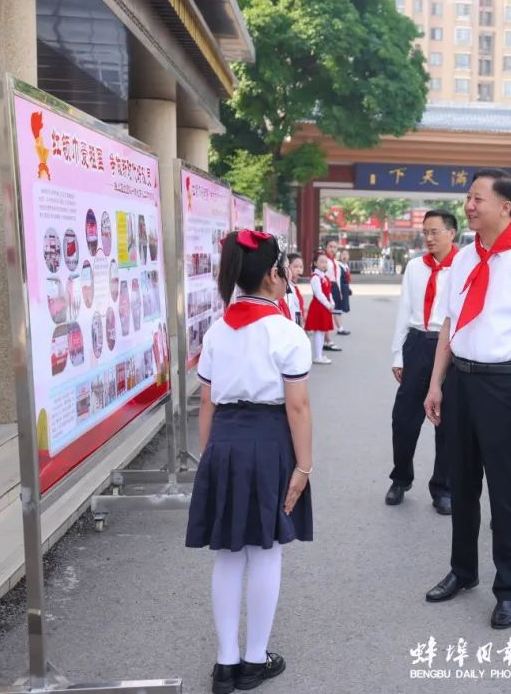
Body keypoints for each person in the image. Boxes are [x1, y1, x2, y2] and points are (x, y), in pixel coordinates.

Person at [422, 169, 511, 630]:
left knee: (507, 492)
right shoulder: (463, 258)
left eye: (478, 198)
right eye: (468, 197)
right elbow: (449, 323)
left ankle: (510, 589)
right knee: (462, 485)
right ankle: (463, 571)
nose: (469, 206)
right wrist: (436, 384)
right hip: (461, 381)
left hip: (507, 386)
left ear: (505, 207)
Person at [185, 229, 313, 693]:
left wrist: (209, 458)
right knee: (265, 549)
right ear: (275, 274)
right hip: (268, 442)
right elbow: (297, 407)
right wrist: (304, 467)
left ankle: (225, 663)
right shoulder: (286, 332)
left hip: (223, 442)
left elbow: (207, 402)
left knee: (228, 553)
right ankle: (255, 659)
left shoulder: (217, 331)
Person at [388, 210, 459, 515]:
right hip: (418, 344)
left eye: (435, 232)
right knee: (404, 419)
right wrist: (398, 354)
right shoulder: (415, 267)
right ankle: (400, 478)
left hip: (451, 349)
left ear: (451, 234)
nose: (429, 238)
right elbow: (404, 310)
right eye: (425, 232)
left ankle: (443, 488)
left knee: (448, 423)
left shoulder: (463, 266)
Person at [304, 252, 335, 365]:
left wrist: (332, 302)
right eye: (321, 261)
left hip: (324, 306)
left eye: (325, 261)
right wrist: (328, 304)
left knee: (322, 331)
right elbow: (318, 294)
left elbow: (329, 292)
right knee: (319, 331)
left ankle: (320, 354)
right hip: (319, 306)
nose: (324, 264)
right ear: (315, 263)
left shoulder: (325, 277)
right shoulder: (315, 278)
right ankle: (317, 356)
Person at [324, 239, 350, 339]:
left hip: (335, 287)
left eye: (335, 247)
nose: (332, 249)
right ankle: (325, 335)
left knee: (337, 308)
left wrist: (339, 291)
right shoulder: (323, 260)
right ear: (326, 247)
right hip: (326, 286)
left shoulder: (335, 262)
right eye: (330, 246)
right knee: (326, 310)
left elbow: (338, 278)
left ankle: (340, 328)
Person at [280, 253, 307, 327]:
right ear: (287, 268)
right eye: (295, 266)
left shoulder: (294, 287)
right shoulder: (286, 287)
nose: (299, 269)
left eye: (301, 267)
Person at [337, 249, 352, 317]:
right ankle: (338, 323)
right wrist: (339, 291)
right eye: (343, 254)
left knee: (342, 308)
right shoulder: (338, 266)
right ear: (340, 256)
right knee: (338, 308)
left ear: (348, 257)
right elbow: (337, 279)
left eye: (346, 255)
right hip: (340, 288)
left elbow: (347, 279)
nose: (344, 256)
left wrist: (348, 289)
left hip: (345, 288)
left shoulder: (346, 266)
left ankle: (339, 322)